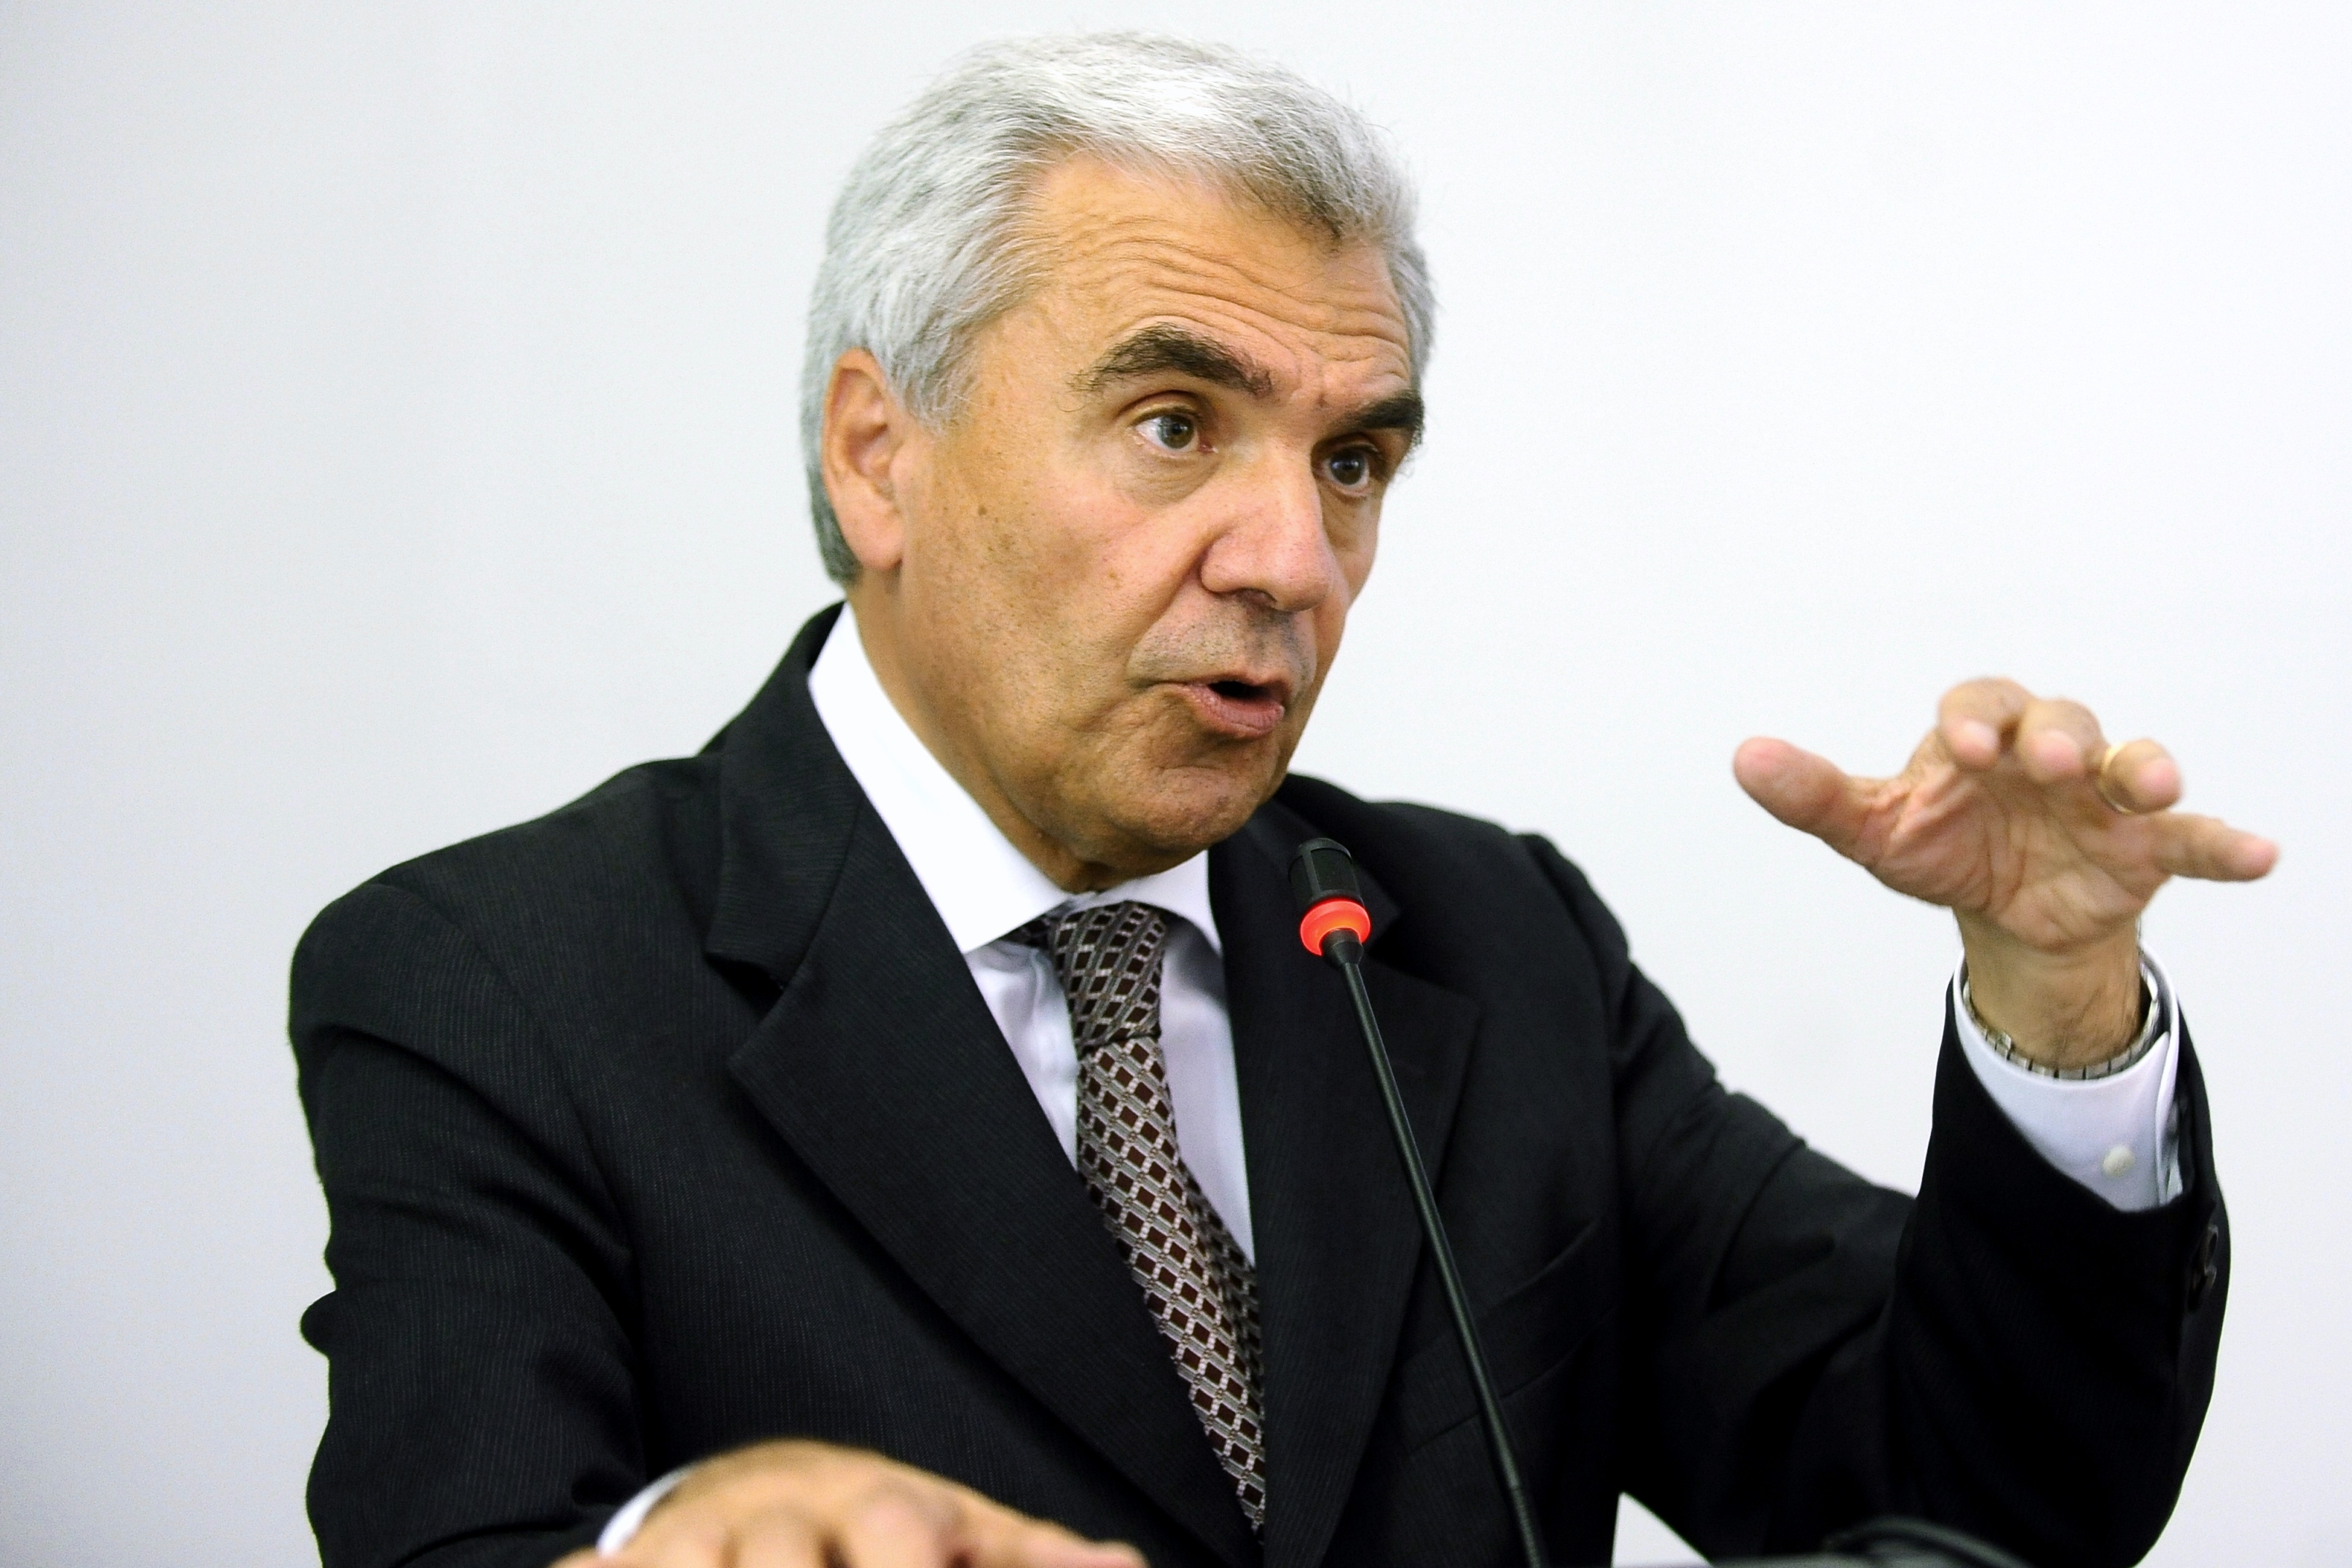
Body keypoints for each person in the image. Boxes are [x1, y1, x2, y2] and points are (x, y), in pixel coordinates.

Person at [289, 34, 2273, 1568]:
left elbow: (1977, 1499)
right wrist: (668, 1548)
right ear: (879, 455)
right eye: (1176, 426)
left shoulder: (1484, 941)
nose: (1292, 562)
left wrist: (2055, 1000)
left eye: (1350, 463)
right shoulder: (503, 985)